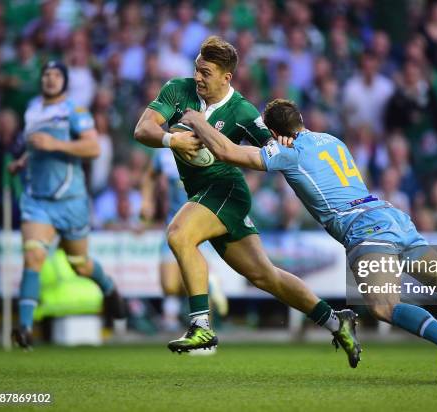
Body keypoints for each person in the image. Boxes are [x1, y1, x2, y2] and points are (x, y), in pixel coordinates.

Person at [183, 98, 437, 384]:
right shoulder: (331, 140)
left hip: (365, 230)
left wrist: (195, 120)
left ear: (274, 132)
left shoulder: (286, 153)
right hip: (393, 217)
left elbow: (229, 152)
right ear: (301, 120)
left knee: (381, 305)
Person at [133, 36, 360, 366]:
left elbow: (276, 148)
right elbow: (142, 130)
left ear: (226, 77)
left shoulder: (242, 111)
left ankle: (201, 327)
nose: (198, 78)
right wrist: (172, 138)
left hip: (227, 192)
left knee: (179, 234)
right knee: (265, 276)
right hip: (202, 196)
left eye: (206, 73)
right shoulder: (177, 90)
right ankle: (335, 320)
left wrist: (282, 140)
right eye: (197, 69)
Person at [9, 61, 125, 349]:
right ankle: (24, 328)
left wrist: (56, 145)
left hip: (70, 200)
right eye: (46, 74)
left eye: (56, 75)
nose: (50, 79)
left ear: (65, 81)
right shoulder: (33, 108)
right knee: (33, 257)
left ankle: (109, 290)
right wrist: (22, 161)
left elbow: (93, 148)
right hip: (37, 199)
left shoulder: (76, 111)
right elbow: (37, 145)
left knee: (80, 265)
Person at [140, 148, 229, 332]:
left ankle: (204, 331)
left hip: (201, 225)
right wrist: (146, 202)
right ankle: (209, 287)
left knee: (197, 282)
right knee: (169, 285)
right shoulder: (165, 153)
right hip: (174, 225)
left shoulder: (209, 146)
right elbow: (149, 176)